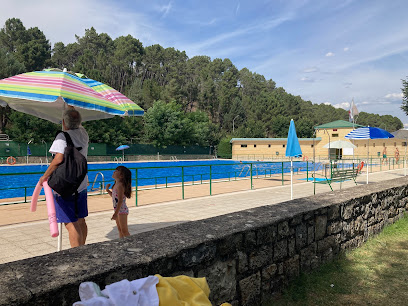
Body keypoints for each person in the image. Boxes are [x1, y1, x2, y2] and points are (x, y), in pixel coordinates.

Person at [39, 107, 89, 248]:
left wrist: (44, 176)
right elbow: (77, 124)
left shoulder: (62, 136)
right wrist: (72, 109)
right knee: (81, 220)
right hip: (81, 184)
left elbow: (58, 159)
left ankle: (76, 255)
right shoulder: (84, 134)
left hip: (65, 186)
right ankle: (82, 248)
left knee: (70, 223)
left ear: (64, 122)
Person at [105, 166, 132, 238]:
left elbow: (120, 200)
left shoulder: (120, 186)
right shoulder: (115, 185)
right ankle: (122, 244)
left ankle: (131, 244)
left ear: (121, 175)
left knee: (124, 231)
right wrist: (108, 190)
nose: (114, 171)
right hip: (117, 210)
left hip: (121, 210)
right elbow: (115, 197)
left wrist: (116, 213)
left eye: (116, 171)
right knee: (120, 230)